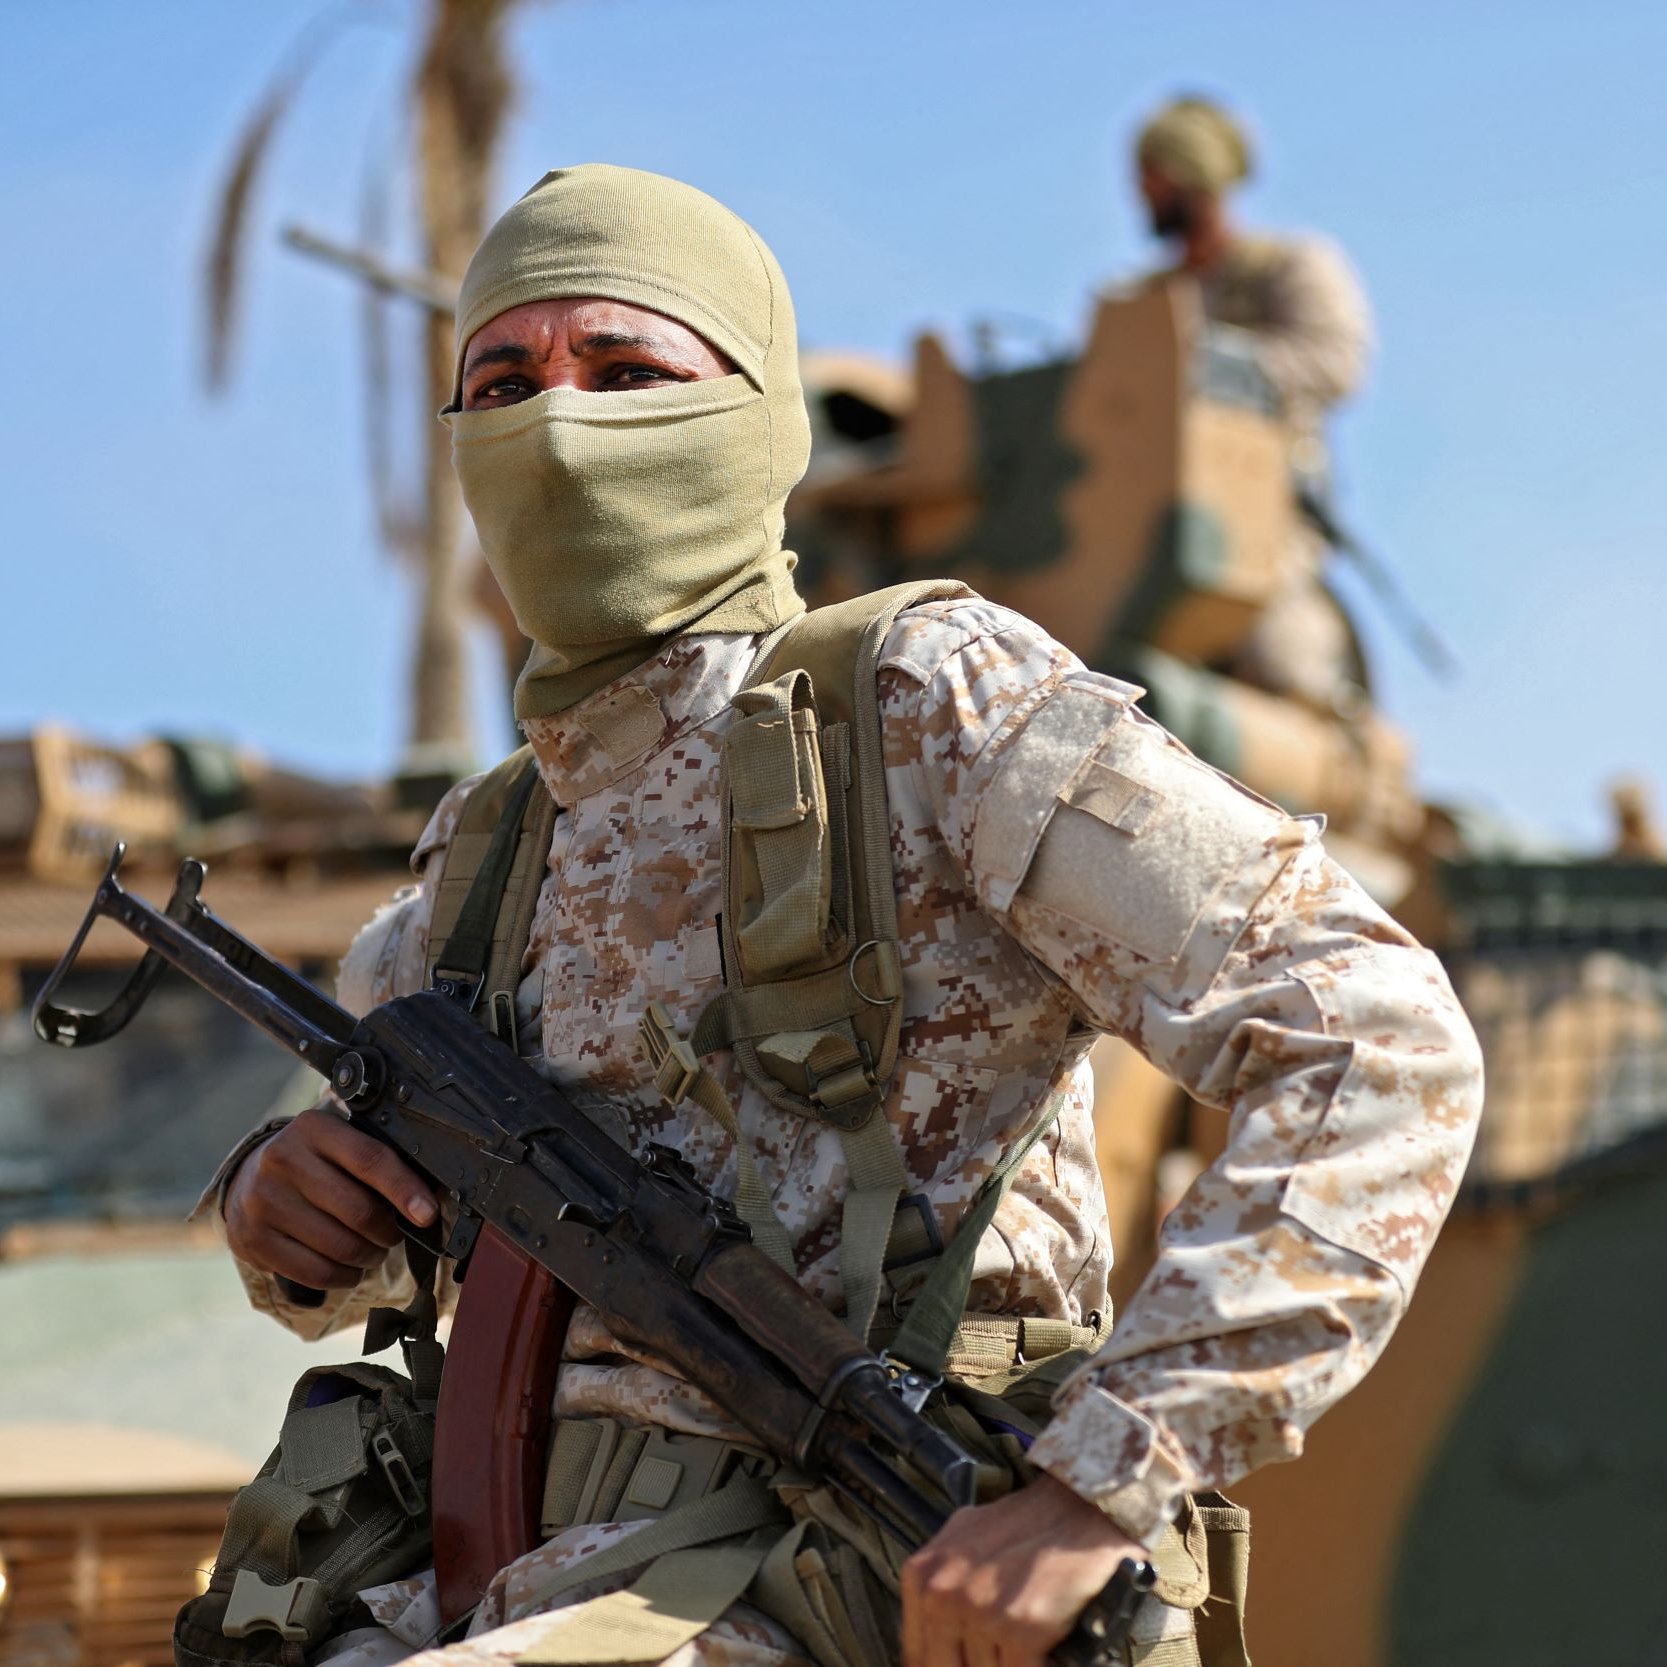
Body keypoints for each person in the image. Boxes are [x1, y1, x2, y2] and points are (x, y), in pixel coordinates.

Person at [206, 163, 1483, 1667]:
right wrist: (281, 1206)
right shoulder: (485, 838)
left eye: (625, 372)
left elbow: (1376, 1042)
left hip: (846, 1577)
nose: (556, 423)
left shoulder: (920, 701)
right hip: (498, 1578)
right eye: (503, 380)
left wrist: (1096, 1482)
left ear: (751, 416)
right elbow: (395, 1230)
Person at [1134, 96, 1374, 712]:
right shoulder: (1142, 301)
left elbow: (1335, 360)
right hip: (1140, 530)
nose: (1145, 191)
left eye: (1158, 174)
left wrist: (1220, 369)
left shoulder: (1285, 268)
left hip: (1262, 519)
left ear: (1197, 175)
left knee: (1282, 664)